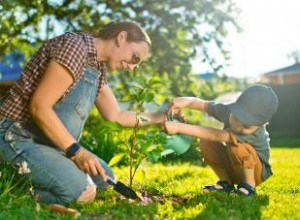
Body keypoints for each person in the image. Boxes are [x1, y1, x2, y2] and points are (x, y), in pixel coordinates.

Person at [0, 21, 165, 205]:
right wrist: (78, 153)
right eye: (135, 58)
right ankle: (13, 188)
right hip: (14, 134)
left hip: (48, 141)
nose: (133, 67)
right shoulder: (75, 47)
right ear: (121, 37)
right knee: (82, 191)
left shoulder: (98, 68)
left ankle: (43, 176)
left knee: (105, 179)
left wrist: (161, 116)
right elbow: (39, 107)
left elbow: (116, 115)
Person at [163, 84, 279, 196]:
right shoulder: (226, 110)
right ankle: (225, 183)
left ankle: (249, 187)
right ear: (235, 107)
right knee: (206, 142)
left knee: (237, 145)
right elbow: (203, 105)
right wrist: (187, 101)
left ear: (261, 125)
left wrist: (179, 127)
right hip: (234, 163)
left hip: (255, 172)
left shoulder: (255, 134)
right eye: (238, 116)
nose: (238, 126)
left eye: (246, 126)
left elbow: (214, 134)